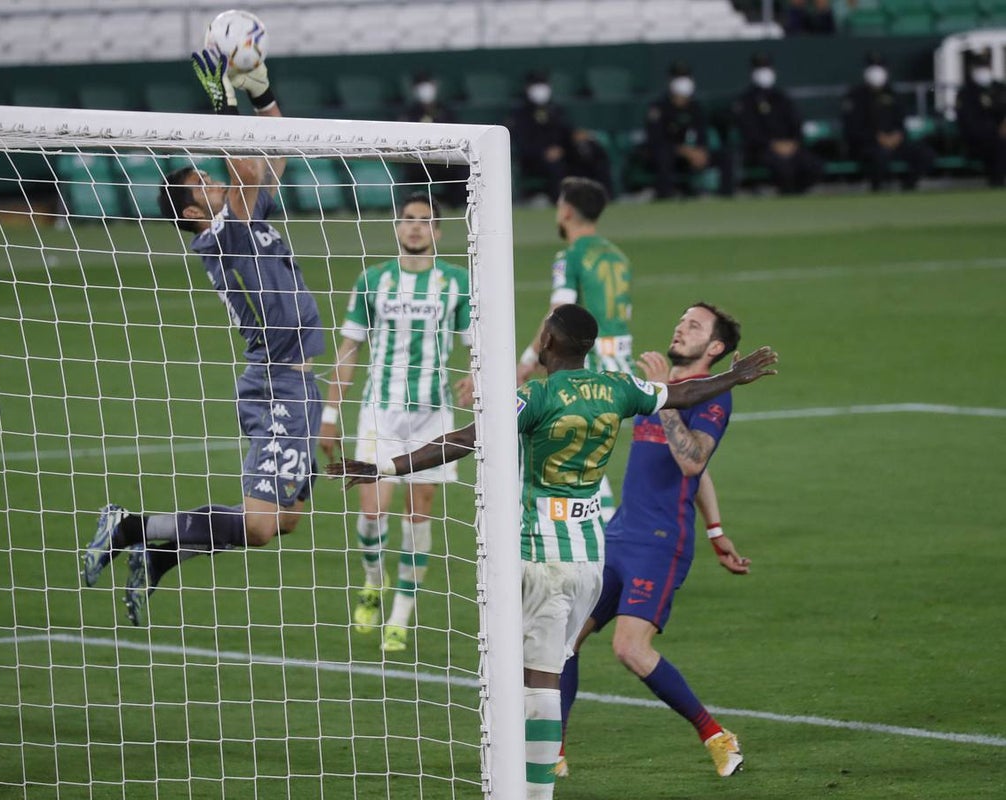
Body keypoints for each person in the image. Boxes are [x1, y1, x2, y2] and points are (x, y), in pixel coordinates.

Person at [329, 304, 779, 799]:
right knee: (544, 667)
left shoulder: (537, 396)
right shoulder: (615, 387)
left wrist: (385, 468)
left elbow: (464, 439)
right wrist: (732, 378)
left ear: (547, 343)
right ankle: (541, 763)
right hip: (591, 556)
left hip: (542, 557)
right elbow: (683, 391)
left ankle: (534, 786)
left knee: (532, 681)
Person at [81, 48, 326, 625]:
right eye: (204, 183)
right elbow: (245, 172)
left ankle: (161, 555)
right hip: (279, 386)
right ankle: (131, 526)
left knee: (285, 519)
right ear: (193, 212)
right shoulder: (221, 236)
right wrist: (222, 101)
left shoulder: (244, 222)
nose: (214, 182)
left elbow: (276, 159)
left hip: (298, 387)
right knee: (263, 524)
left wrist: (262, 94)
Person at [558, 302, 753, 780]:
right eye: (681, 320)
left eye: (694, 325)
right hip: (618, 535)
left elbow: (692, 461)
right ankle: (553, 752)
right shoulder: (662, 390)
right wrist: (717, 529)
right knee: (564, 639)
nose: (680, 327)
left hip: (660, 544)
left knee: (630, 649)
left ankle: (715, 735)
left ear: (715, 348)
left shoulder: (712, 396)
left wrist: (665, 397)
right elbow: (700, 473)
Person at [318, 192, 473, 653]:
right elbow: (349, 350)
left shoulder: (457, 284)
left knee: (417, 512)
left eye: (425, 221)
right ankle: (372, 579)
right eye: (409, 220)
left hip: (433, 415)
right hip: (379, 412)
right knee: (371, 510)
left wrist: (475, 378)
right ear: (397, 227)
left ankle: (401, 613)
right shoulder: (372, 281)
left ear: (438, 232)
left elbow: (475, 346)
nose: (416, 228)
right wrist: (330, 415)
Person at [516, 176, 632, 521]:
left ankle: (603, 533)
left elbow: (558, 313)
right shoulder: (618, 256)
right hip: (621, 356)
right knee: (596, 442)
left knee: (575, 447)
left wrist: (529, 359)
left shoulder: (569, 256)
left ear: (565, 211)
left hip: (590, 357)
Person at [507, 71, 613, 202]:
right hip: (535, 159)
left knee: (593, 153)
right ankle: (559, 200)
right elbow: (522, 142)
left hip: (563, 152)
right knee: (556, 166)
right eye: (536, 85)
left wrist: (577, 137)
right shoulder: (520, 114)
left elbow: (566, 131)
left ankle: (602, 196)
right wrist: (543, 152)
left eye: (543, 84)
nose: (541, 90)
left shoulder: (555, 109)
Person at [842, 52, 936, 192]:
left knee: (925, 154)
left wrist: (897, 135)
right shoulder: (855, 96)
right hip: (869, 145)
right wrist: (876, 137)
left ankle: (908, 186)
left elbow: (900, 121)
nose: (876, 72)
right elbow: (852, 127)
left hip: (895, 142)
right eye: (872, 68)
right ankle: (877, 189)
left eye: (879, 68)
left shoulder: (892, 94)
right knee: (879, 156)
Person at [731, 53, 823, 195]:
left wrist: (793, 143)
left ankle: (798, 193)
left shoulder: (782, 97)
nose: (764, 73)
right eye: (760, 69)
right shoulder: (746, 100)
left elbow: (796, 124)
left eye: (767, 68)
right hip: (763, 149)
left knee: (814, 165)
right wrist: (773, 144)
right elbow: (750, 131)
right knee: (784, 168)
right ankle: (787, 195)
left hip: (790, 146)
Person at [644, 62, 733, 201]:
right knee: (663, 156)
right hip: (669, 153)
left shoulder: (695, 107)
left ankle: (726, 196)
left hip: (692, 154)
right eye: (679, 78)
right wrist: (685, 151)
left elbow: (702, 133)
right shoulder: (659, 107)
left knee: (725, 156)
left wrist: (700, 151)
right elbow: (656, 140)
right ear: (670, 82)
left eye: (686, 78)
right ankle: (665, 197)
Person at [399, 72, 469, 207]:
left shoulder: (444, 110)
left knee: (461, 167)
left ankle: (458, 203)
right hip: (418, 161)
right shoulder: (410, 113)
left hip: (443, 159)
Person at [955, 50, 1006, 188]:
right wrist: (996, 131)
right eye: (979, 67)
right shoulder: (966, 92)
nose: (983, 71)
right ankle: (997, 184)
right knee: (999, 146)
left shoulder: (999, 88)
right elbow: (968, 122)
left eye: (985, 67)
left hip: (1000, 136)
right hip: (979, 140)